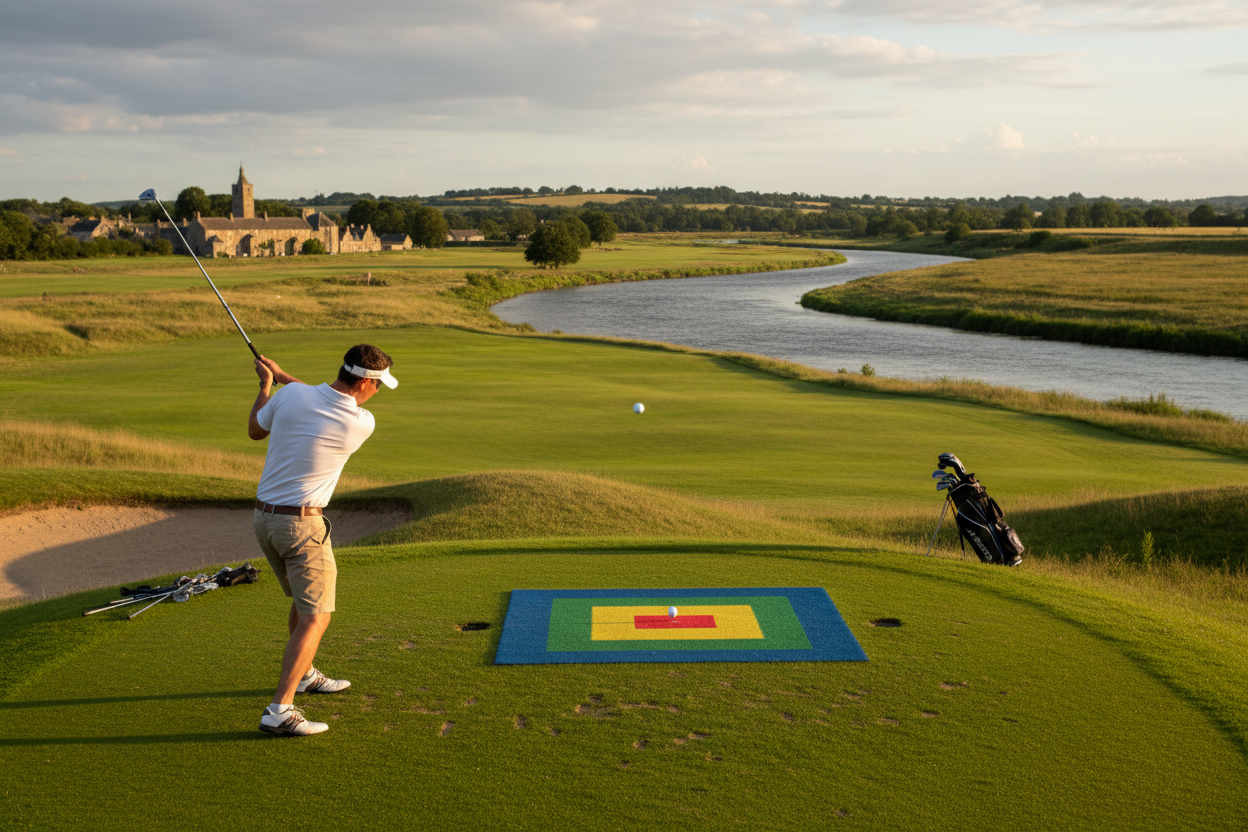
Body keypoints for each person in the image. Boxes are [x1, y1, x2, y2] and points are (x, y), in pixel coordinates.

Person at [248, 344, 397, 736]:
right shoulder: (361, 422)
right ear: (365, 383)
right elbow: (321, 403)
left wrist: (270, 385)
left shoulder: (292, 396)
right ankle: (279, 710)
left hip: (265, 521)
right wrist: (283, 379)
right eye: (378, 387)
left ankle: (305, 675)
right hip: (301, 527)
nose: (378, 394)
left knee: (302, 603)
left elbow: (255, 430)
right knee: (317, 616)